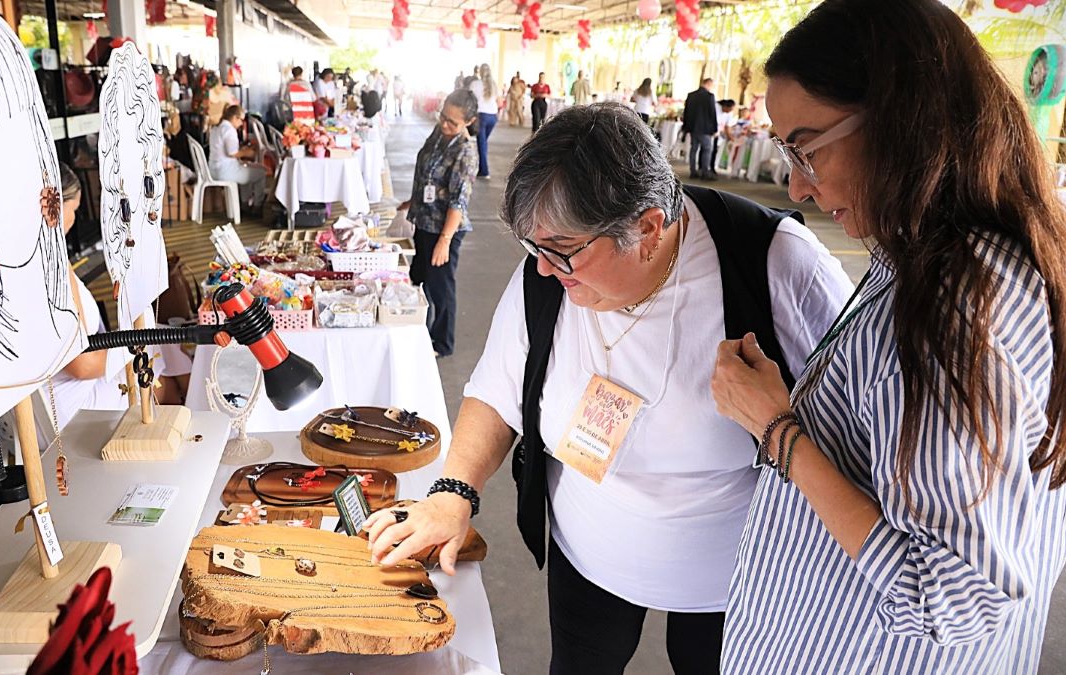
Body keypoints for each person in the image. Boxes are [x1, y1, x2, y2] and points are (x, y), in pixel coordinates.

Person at [365, 102, 852, 675]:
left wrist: (778, 421)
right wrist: (453, 492)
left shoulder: (773, 260)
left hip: (736, 573)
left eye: (564, 250)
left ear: (647, 227)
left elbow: (860, 425)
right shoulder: (546, 270)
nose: (544, 269)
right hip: (588, 551)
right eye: (533, 248)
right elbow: (496, 390)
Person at [710, 1, 1066, 673]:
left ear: (904, 118)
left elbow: (953, 595)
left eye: (806, 148)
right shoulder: (928, 258)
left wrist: (776, 428)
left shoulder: (954, 308)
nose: (797, 185)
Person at [44, 164, 191, 438]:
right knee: (159, 350)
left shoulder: (36, 262)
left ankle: (187, 404)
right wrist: (135, 341)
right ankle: (180, 417)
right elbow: (83, 366)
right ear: (53, 207)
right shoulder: (50, 271)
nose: (74, 219)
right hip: (70, 406)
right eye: (73, 210)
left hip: (57, 396)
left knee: (162, 339)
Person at [396, 89, 479, 358]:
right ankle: (420, 328)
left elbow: (458, 202)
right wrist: (413, 200)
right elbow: (427, 170)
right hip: (424, 220)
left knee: (440, 285)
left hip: (445, 228)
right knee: (419, 277)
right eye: (443, 116)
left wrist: (444, 241)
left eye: (452, 122)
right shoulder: (438, 134)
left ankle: (441, 342)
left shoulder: (465, 153)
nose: (444, 124)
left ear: (469, 121)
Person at [208, 105, 267, 209]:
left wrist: (243, 151)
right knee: (261, 172)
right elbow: (232, 153)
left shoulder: (216, 128)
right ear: (235, 117)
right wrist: (248, 153)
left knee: (247, 169)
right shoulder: (229, 130)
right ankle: (258, 205)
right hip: (225, 172)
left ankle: (244, 203)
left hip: (213, 170)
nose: (241, 124)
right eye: (241, 120)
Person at [682, 78, 718, 180]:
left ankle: (693, 171)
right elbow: (712, 114)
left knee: (694, 149)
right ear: (709, 84)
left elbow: (686, 112)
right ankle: (705, 172)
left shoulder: (691, 95)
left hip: (693, 127)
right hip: (704, 128)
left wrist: (686, 127)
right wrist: (715, 129)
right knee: (707, 149)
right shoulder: (709, 96)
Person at [469, 64, 499, 179]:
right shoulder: (494, 85)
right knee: (483, 143)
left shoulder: (475, 84)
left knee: (481, 143)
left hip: (481, 116)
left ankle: (484, 171)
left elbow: (471, 100)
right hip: (493, 116)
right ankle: (481, 167)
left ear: (480, 72)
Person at [713, 99, 736, 173]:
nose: (730, 111)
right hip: (711, 131)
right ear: (725, 106)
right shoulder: (716, 107)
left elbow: (727, 126)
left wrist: (731, 137)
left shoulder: (729, 114)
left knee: (716, 150)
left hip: (720, 133)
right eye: (729, 109)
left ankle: (713, 166)